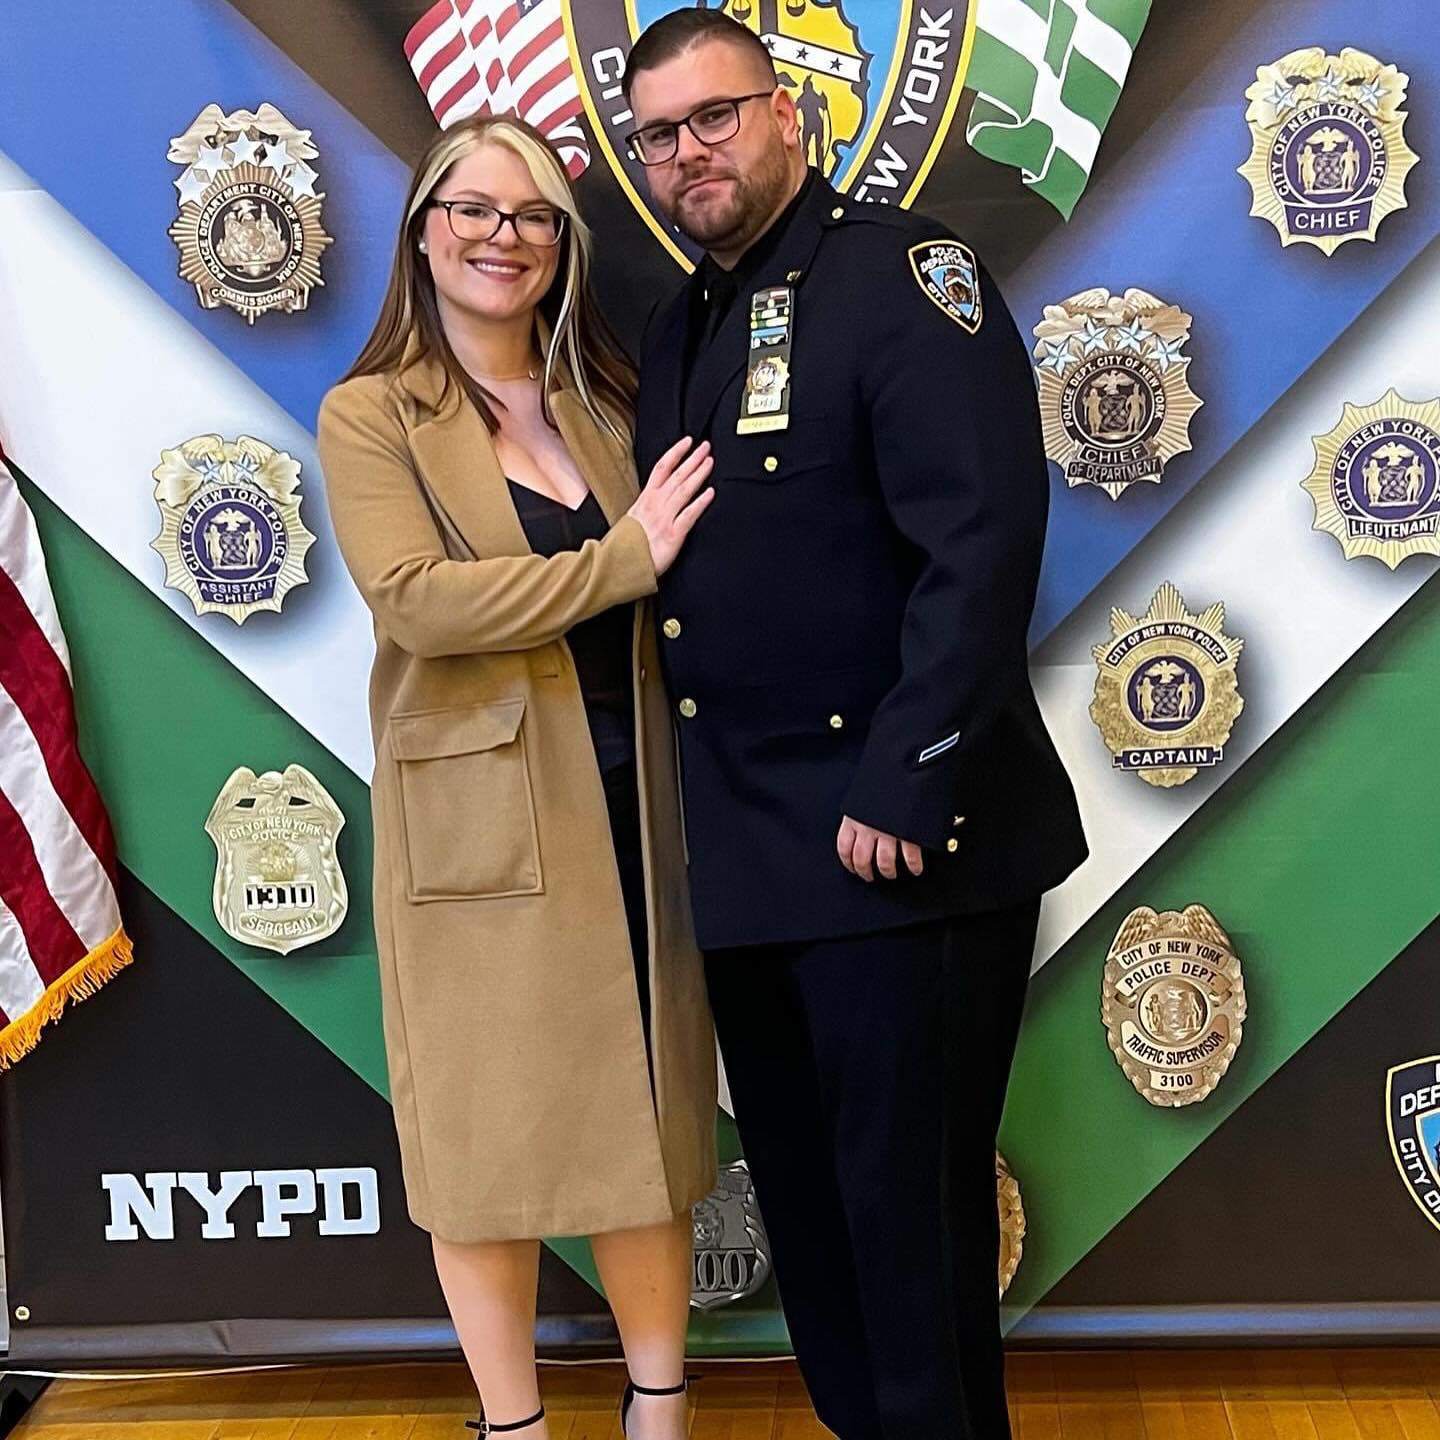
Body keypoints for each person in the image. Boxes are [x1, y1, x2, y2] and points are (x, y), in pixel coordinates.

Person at [623, 13, 1088, 1439]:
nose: (690, 153)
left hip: (902, 848)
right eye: (660, 134)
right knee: (820, 1242)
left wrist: (908, 777)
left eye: (717, 117)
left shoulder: (902, 275)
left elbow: (986, 536)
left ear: (790, 117)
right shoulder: (682, 321)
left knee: (908, 1237)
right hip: (758, 855)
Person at [317, 115, 718, 1440]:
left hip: (634, 808)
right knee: (483, 1151)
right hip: (480, 823)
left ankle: (659, 1412)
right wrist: (624, 560)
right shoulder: (372, 413)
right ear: (425, 228)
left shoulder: (608, 401)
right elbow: (419, 603)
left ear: (563, 247)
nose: (503, 236)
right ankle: (516, 1428)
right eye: (475, 209)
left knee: (646, 1135)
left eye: (534, 215)